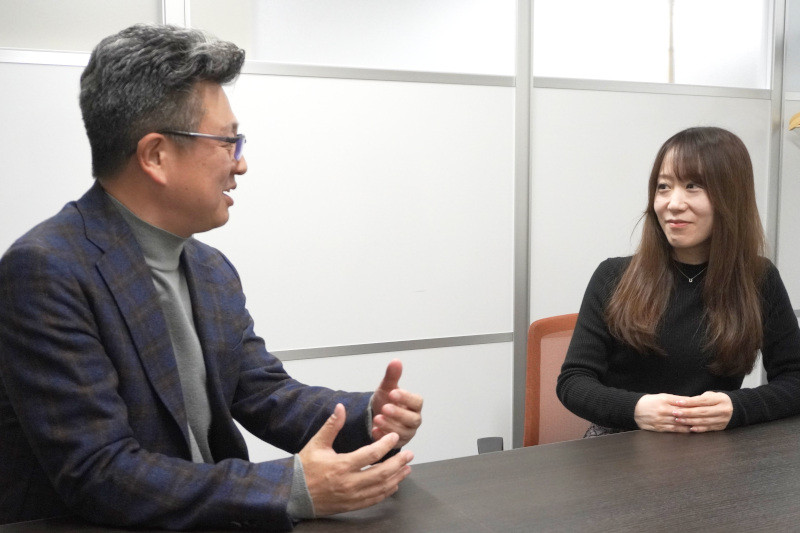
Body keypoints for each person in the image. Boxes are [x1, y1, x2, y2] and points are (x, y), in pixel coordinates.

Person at [0, 24, 422, 530]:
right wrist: (290, 488)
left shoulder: (209, 268)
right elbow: (100, 473)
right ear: (156, 155)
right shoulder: (45, 270)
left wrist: (368, 415)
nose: (240, 164)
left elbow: (263, 392)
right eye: (227, 141)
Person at [557, 126, 800, 436]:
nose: (673, 203)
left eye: (692, 186)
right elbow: (573, 381)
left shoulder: (758, 278)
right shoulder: (613, 276)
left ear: (730, 195)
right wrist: (635, 409)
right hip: (619, 445)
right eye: (663, 187)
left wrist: (737, 407)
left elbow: (795, 378)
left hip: (713, 447)